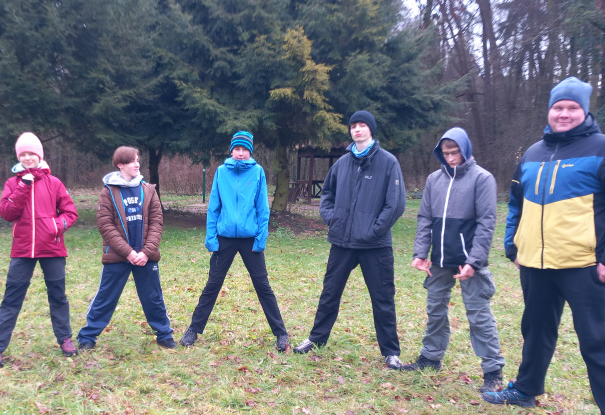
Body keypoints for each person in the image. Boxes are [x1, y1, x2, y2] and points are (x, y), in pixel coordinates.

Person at [483, 77, 605, 415]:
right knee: (535, 330)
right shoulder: (533, 153)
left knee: (597, 342)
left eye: (572, 108)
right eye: (558, 107)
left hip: (584, 264)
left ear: (585, 110)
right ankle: (525, 390)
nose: (564, 114)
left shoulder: (601, 148)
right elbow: (515, 202)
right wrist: (512, 245)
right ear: (549, 111)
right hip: (535, 261)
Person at [293, 111, 406, 369]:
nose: (357, 129)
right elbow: (327, 195)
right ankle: (316, 339)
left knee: (383, 298)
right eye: (353, 126)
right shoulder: (341, 164)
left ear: (371, 130)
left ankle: (390, 351)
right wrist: (332, 218)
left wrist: (375, 230)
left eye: (362, 125)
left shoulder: (388, 163)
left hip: (375, 244)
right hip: (342, 241)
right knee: (329, 294)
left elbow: (396, 204)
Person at [406, 127, 505, 391]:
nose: (450, 158)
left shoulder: (482, 179)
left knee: (478, 314)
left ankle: (493, 371)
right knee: (435, 309)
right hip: (439, 260)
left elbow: (486, 223)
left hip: (469, 262)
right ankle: (430, 357)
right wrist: (420, 253)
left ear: (466, 149)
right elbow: (425, 218)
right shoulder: (433, 180)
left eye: (455, 152)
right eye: (446, 153)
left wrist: (474, 261)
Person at [179, 131, 289, 351]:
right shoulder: (221, 172)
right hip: (225, 238)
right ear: (231, 151)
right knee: (212, 285)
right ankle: (193, 330)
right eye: (237, 149)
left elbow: (263, 208)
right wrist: (211, 238)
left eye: (244, 149)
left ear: (250, 151)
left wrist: (261, 239)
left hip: (250, 239)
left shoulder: (258, 172)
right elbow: (214, 207)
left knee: (263, 286)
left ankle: (281, 333)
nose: (240, 153)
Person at [0, 132, 78, 366]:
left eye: (31, 154)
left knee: (58, 296)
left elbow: (70, 212)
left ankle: (65, 339)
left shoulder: (54, 183)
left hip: (52, 248)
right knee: (11, 298)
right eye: (23, 154)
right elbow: (7, 213)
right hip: (23, 249)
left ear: (40, 156)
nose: (27, 158)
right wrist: (24, 185)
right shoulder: (12, 183)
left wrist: (55, 226)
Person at [76, 146, 174, 350]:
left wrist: (145, 252)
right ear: (120, 164)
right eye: (131, 161)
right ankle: (88, 336)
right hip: (118, 256)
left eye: (137, 160)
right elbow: (105, 226)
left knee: (153, 297)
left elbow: (157, 223)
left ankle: (164, 335)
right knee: (105, 297)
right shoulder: (108, 192)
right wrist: (128, 252)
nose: (136, 164)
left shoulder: (149, 190)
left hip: (145, 257)